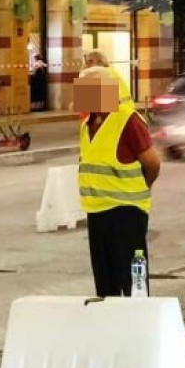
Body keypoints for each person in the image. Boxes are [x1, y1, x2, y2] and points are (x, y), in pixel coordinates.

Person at [76, 73, 161, 297]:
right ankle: (111, 325)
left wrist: (142, 188)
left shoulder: (127, 120)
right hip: (96, 211)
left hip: (127, 211)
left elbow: (152, 164)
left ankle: (139, 323)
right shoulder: (87, 125)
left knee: (134, 280)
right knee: (105, 283)